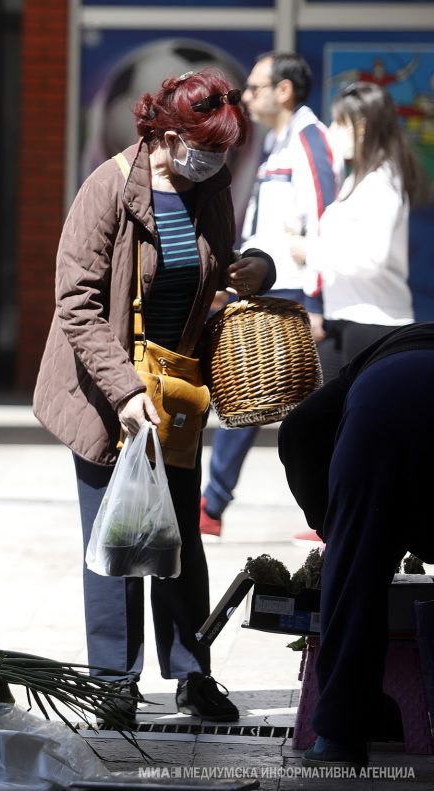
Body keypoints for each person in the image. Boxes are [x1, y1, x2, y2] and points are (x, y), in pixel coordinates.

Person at [33, 70, 275, 724]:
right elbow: (76, 305)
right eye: (210, 148)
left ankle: (194, 675)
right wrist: (123, 390)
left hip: (176, 390)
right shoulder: (107, 187)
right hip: (105, 392)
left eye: (227, 150)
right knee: (117, 541)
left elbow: (219, 270)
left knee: (178, 545)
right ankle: (114, 682)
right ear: (169, 137)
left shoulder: (211, 187)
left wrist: (257, 271)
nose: (220, 161)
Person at [199, 52, 342, 542]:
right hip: (270, 287)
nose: (247, 97)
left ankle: (328, 513)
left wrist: (319, 303)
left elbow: (324, 222)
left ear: (284, 90)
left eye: (256, 87)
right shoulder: (278, 142)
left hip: (300, 294)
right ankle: (213, 503)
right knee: (248, 396)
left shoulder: (310, 140)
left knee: (308, 410)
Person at [277, 323, 434, 767]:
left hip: (377, 418)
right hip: (381, 408)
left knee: (353, 577)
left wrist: (333, 525)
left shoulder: (378, 355)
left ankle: (339, 739)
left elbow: (298, 429)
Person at [288, 82, 420, 380]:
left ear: (361, 127)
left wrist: (311, 252)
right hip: (343, 318)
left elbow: (372, 260)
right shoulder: (357, 179)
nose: (332, 129)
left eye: (339, 122)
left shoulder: (383, 183)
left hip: (375, 323)